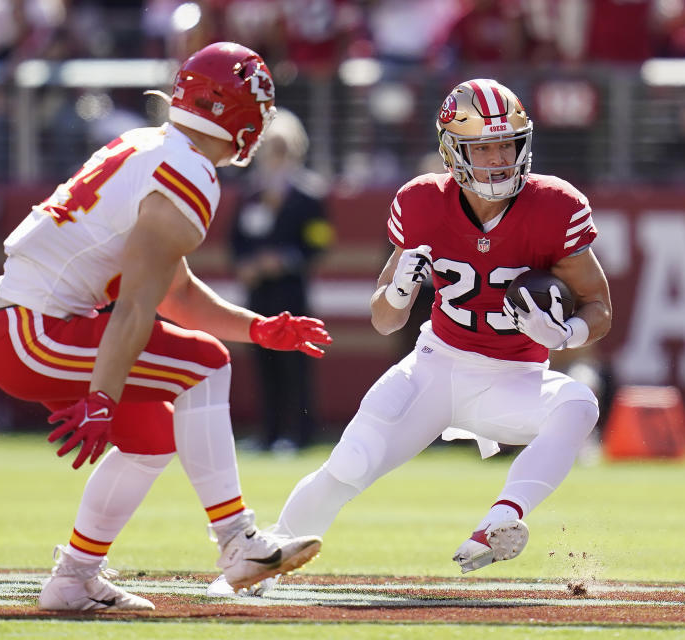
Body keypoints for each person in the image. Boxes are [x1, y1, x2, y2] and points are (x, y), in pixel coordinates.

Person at [210, 77, 612, 595]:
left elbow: (599, 305)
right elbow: (384, 319)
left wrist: (565, 332)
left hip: (514, 378)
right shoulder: (421, 202)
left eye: (507, 144)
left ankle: (501, 520)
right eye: (482, 147)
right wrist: (398, 291)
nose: (498, 159)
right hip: (434, 366)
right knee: (347, 466)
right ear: (452, 151)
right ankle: (259, 564)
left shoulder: (555, 205)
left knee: (578, 404)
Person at [0, 42, 332, 611]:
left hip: (23, 326)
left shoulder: (153, 148)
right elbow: (137, 308)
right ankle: (238, 540)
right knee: (207, 363)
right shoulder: (186, 170)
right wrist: (101, 396)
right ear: (237, 113)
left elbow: (178, 294)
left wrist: (258, 327)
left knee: (152, 437)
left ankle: (73, 579)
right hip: (37, 330)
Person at [229, 107, 333, 453]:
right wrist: (246, 265)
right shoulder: (251, 193)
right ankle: (269, 432)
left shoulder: (309, 194)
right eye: (270, 149)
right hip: (259, 293)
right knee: (264, 364)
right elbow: (237, 241)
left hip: (291, 291)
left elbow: (318, 244)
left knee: (296, 364)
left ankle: (299, 434)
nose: (274, 157)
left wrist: (285, 261)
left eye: (281, 149)